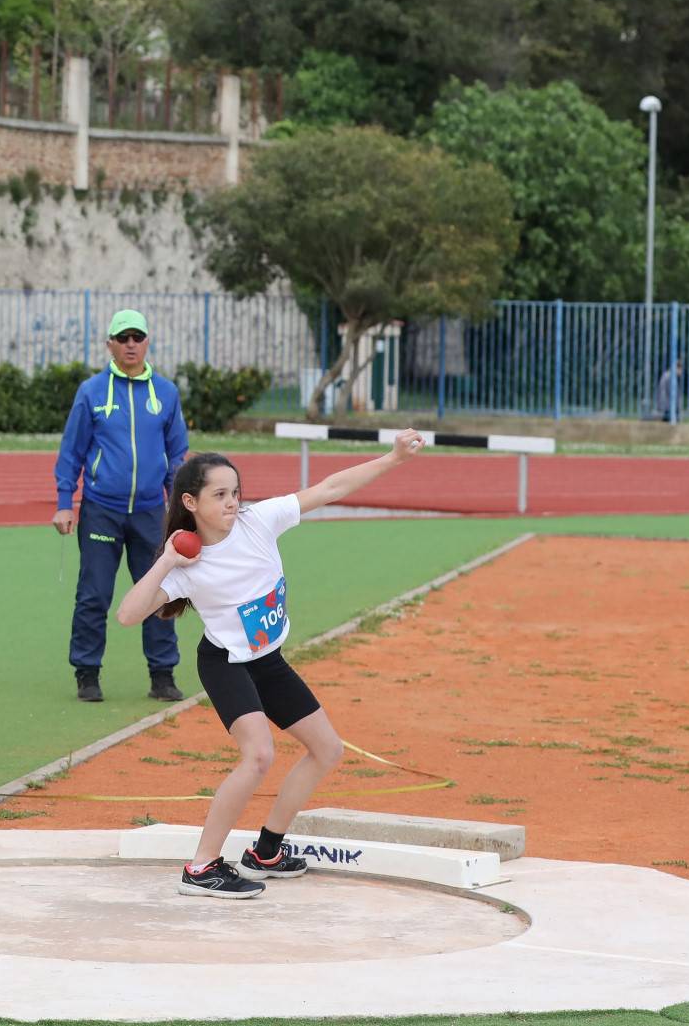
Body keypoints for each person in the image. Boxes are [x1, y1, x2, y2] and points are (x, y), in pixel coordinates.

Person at [116, 432, 425, 899]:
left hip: (268, 661)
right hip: (225, 664)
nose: (232, 502)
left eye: (235, 492)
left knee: (327, 749)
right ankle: (201, 868)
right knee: (258, 755)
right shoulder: (186, 565)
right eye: (219, 495)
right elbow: (127, 614)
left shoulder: (259, 520)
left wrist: (395, 458)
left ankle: (266, 851)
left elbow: (329, 488)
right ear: (190, 502)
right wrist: (166, 562)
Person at [53, 308, 190, 703]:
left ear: (147, 342)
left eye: (138, 337)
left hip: (150, 512)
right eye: (123, 337)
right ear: (109, 344)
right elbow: (72, 452)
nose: (131, 344)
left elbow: (177, 454)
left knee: (160, 593)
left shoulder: (165, 393)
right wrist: (65, 502)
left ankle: (162, 675)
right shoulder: (92, 392)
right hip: (101, 509)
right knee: (94, 594)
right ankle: (87, 672)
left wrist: (178, 508)